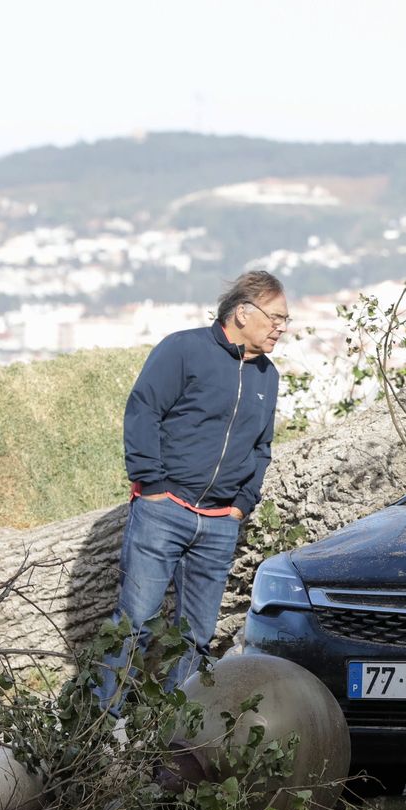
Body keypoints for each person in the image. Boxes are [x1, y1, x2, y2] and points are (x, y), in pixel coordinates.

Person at [93, 271, 287, 714]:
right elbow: (143, 411)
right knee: (134, 624)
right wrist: (153, 486)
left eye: (285, 320)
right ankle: (102, 728)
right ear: (242, 312)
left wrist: (242, 505)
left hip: (220, 524)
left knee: (197, 637)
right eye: (275, 317)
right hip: (164, 511)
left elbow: (262, 448)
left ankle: (175, 735)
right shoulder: (183, 349)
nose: (281, 327)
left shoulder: (267, 375)